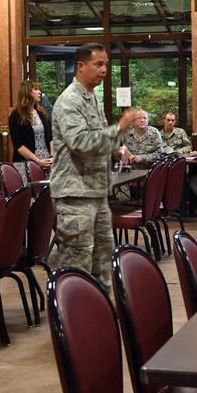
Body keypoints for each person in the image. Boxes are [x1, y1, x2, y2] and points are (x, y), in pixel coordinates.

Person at [51, 42, 137, 290]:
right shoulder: (69, 101)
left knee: (102, 261)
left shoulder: (92, 99)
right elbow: (81, 143)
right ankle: (75, 324)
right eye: (98, 64)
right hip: (75, 195)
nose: (104, 70)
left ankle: (103, 320)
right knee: (77, 267)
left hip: (96, 193)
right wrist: (118, 128)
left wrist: (119, 140)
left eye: (106, 64)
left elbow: (103, 143)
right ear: (80, 66)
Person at [9, 79, 52, 185]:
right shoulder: (16, 116)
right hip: (26, 163)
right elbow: (19, 146)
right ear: (27, 92)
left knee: (47, 197)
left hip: (47, 162)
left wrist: (52, 157)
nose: (39, 92)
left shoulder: (42, 113)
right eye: (36, 89)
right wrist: (37, 161)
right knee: (29, 196)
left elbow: (51, 137)